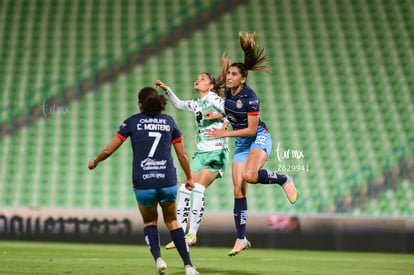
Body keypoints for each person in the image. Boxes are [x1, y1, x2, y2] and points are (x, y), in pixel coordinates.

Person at [88, 87, 199, 275]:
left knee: (150, 222)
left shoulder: (132, 122)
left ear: (140, 104)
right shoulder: (169, 122)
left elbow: (109, 149)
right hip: (167, 180)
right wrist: (188, 176)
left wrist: (95, 161)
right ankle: (188, 266)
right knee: (172, 221)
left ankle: (158, 260)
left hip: (144, 182)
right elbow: (182, 154)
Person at [205, 32, 298, 256]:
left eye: (234, 74)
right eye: (228, 73)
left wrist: (223, 134)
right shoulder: (228, 92)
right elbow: (232, 113)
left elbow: (252, 129)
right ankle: (241, 238)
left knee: (249, 175)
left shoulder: (251, 97)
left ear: (243, 79)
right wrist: (218, 118)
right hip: (241, 142)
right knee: (238, 189)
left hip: (258, 137)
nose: (228, 77)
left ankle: (284, 178)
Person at [154, 73, 229, 249]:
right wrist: (168, 90)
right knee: (184, 188)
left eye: (203, 79)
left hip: (216, 151)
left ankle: (192, 234)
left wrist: (220, 120)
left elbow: (232, 111)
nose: (198, 80)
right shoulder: (196, 104)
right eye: (197, 78)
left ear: (210, 86)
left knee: (198, 188)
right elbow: (179, 104)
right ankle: (179, 234)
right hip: (201, 152)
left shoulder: (213, 98)